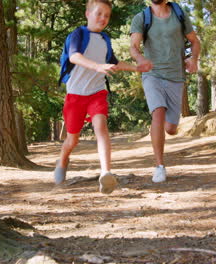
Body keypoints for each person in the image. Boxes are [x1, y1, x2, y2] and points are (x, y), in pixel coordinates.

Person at [54, 0, 147, 194]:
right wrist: (97, 66)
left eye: (107, 15)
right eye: (99, 13)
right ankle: (62, 161)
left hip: (97, 93)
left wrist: (136, 68)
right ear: (88, 13)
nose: (103, 18)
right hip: (75, 96)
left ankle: (106, 173)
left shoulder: (105, 39)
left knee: (101, 126)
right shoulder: (78, 34)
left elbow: (113, 62)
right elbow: (74, 57)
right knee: (72, 140)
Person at [130, 0, 200, 183]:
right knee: (158, 112)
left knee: (170, 128)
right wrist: (140, 59)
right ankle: (159, 166)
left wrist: (193, 59)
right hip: (152, 74)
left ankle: (169, 127)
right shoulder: (142, 18)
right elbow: (134, 46)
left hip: (176, 77)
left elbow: (194, 41)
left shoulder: (179, 14)